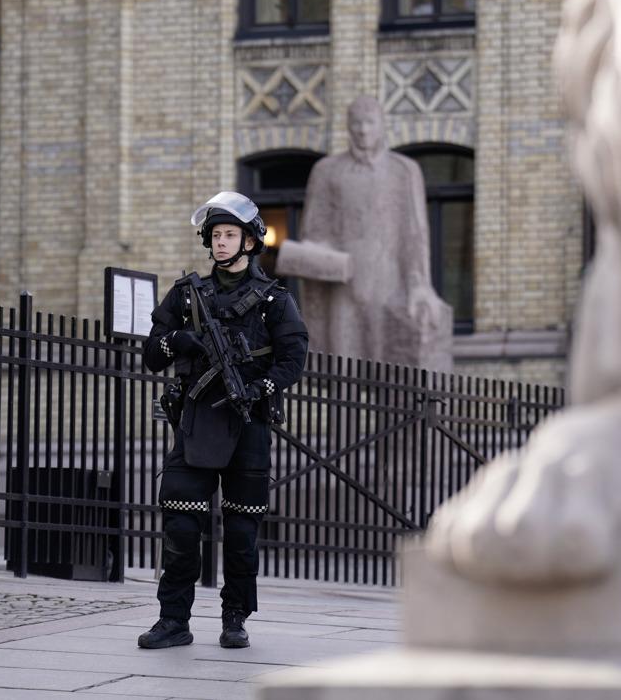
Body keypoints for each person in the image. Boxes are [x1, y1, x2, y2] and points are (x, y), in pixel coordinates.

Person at [136, 191, 308, 651]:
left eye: (231, 234)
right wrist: (180, 341)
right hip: (194, 421)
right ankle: (173, 620)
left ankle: (235, 618)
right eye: (216, 235)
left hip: (248, 421)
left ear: (250, 242)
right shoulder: (187, 294)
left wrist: (260, 388)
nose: (223, 242)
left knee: (241, 533)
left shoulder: (274, 300)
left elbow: (294, 359)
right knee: (180, 528)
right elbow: (152, 353)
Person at [282, 96, 451, 369]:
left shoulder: (403, 171)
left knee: (390, 373)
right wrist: (322, 253)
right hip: (342, 285)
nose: (362, 130)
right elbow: (313, 230)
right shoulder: (327, 171)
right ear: (348, 127)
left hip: (389, 284)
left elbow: (415, 233)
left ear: (382, 125)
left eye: (369, 122)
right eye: (356, 123)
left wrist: (420, 284)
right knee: (341, 371)